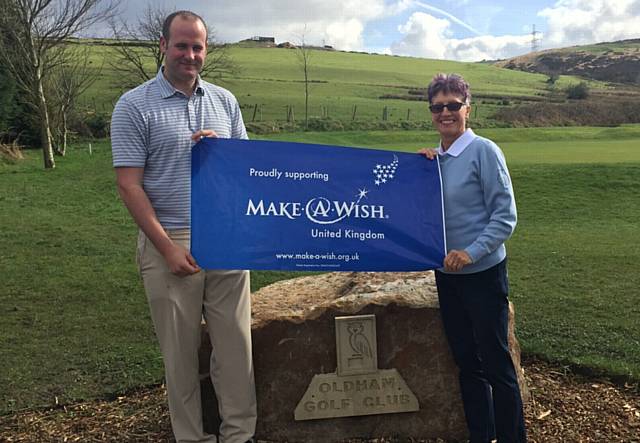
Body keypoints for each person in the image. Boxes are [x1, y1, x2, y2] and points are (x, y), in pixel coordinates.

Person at [110, 10, 256, 443]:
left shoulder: (225, 101)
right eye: (181, 45)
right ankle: (191, 438)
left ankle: (238, 435)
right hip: (170, 240)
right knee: (180, 356)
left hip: (226, 240)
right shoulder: (134, 105)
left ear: (206, 50)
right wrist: (167, 249)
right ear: (162, 46)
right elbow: (129, 185)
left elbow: (246, 169)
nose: (190, 54)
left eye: (197, 46)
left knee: (236, 351)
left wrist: (222, 152)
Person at [420, 73, 527, 443]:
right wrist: (421, 169)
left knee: (497, 365)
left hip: (482, 274)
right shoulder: (435, 159)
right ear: (431, 112)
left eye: (453, 105)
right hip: (446, 277)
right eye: (438, 106)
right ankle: (481, 435)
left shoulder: (484, 151)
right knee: (467, 363)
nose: (445, 112)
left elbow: (504, 216)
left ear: (468, 108)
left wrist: (471, 253)